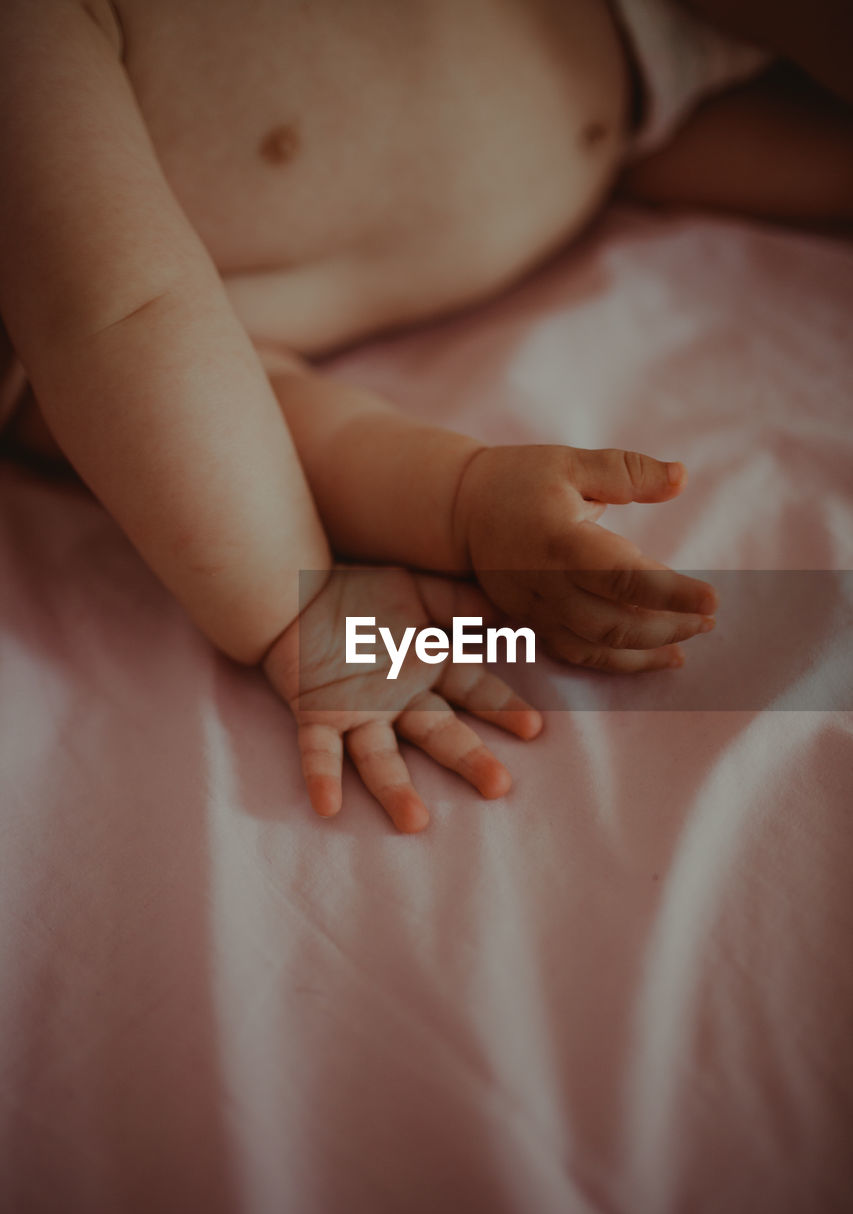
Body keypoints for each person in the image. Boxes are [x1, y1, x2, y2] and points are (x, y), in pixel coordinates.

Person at [1, 0, 850, 831]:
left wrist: (279, 606)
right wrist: (460, 501)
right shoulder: (55, 402)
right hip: (654, 124)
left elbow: (119, 310)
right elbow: (264, 424)